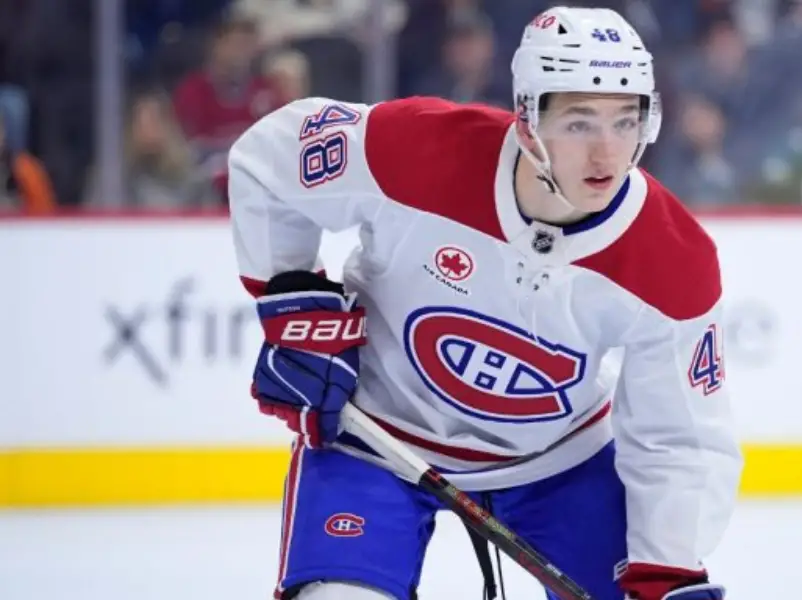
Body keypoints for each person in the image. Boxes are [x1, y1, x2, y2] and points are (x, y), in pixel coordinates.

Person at [226, 6, 741, 600]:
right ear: (526, 121)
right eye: (579, 124)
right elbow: (270, 160)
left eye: (626, 122)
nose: (608, 156)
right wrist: (293, 299)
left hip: (559, 464)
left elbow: (678, 436)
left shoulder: (673, 257)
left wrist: (667, 566)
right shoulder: (419, 149)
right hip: (375, 440)